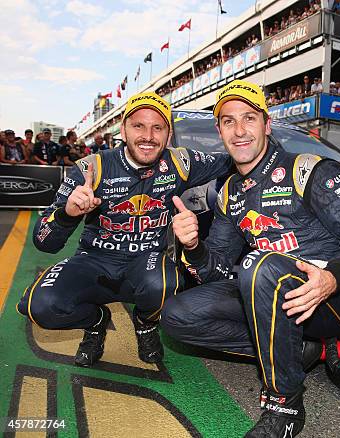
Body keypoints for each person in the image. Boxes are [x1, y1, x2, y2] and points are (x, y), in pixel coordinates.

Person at [161, 80, 340, 437]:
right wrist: (193, 247)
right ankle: (298, 351)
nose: (240, 130)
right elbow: (216, 269)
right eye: (229, 121)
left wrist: (331, 279)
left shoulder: (308, 169)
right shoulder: (229, 191)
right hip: (269, 293)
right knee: (177, 315)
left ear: (266, 123)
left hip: (330, 300)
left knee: (259, 264)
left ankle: (285, 405)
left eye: (249, 118)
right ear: (219, 130)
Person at [17, 92, 232, 368]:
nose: (148, 136)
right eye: (138, 126)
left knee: (166, 283)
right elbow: (43, 240)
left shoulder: (180, 162)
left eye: (158, 127)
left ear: (168, 135)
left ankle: (144, 324)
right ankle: (96, 323)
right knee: (40, 305)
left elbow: (232, 160)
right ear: (123, 130)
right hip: (94, 262)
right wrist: (67, 214)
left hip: (146, 264)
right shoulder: (90, 168)